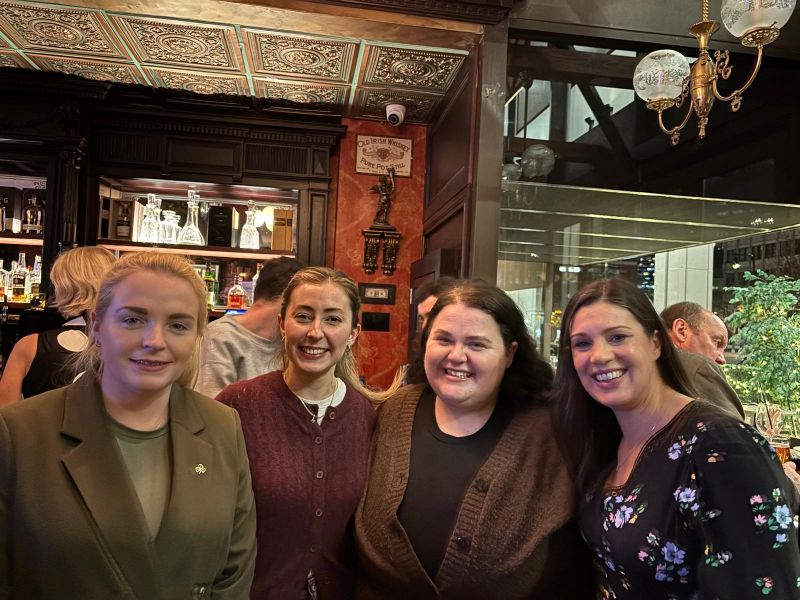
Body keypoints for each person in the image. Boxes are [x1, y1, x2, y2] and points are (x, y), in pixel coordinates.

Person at [0, 251, 256, 597]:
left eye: (178, 325)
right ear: (96, 325)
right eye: (133, 320)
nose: (154, 341)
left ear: (197, 336)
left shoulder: (223, 425)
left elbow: (233, 571)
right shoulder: (19, 432)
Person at [551, 278, 800, 599]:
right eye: (582, 343)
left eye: (617, 337)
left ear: (656, 343)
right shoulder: (606, 437)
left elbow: (767, 586)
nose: (598, 355)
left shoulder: (721, 445)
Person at [355, 280, 591, 599]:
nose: (457, 355)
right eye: (443, 339)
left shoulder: (552, 429)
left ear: (509, 354)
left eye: (477, 344)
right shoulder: (392, 411)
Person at [216, 266, 376, 599]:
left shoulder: (366, 416)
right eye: (303, 316)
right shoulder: (238, 404)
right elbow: (204, 497)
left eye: (333, 319)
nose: (315, 332)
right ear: (281, 324)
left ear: (353, 334)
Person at [0, 246, 115, 405]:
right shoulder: (126, 347)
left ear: (63, 287)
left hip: (38, 430)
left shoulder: (29, 346)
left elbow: (5, 418)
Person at [195, 256, 302, 398]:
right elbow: (211, 412)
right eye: (304, 307)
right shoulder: (220, 337)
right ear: (286, 300)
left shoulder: (290, 343)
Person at [661, 302, 744, 418]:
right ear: (681, 330)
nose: (722, 359)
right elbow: (735, 432)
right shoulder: (696, 367)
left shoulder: (641, 365)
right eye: (717, 342)